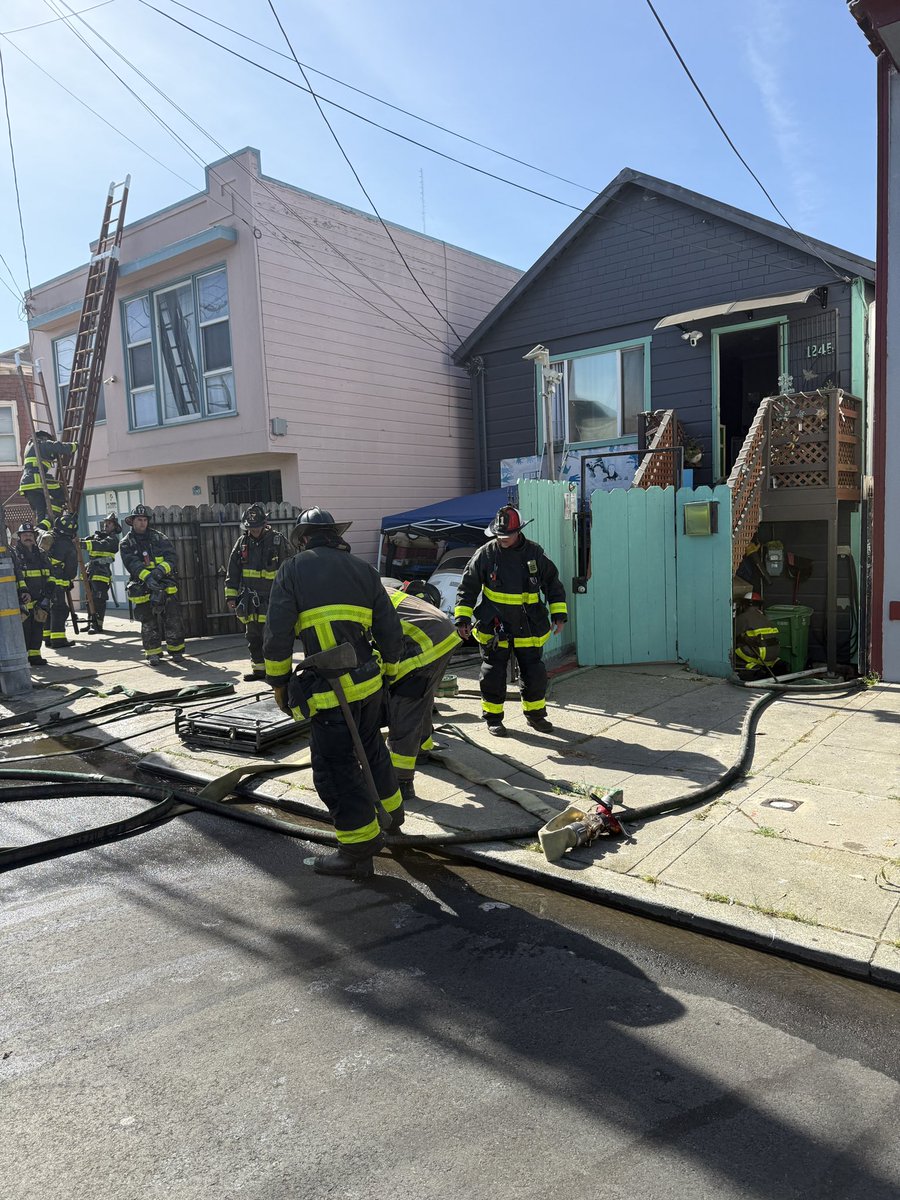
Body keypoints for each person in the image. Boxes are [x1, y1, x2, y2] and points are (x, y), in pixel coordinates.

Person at [264, 507, 405, 879]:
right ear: (334, 535)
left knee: (335, 769)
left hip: (330, 692)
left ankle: (357, 849)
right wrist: (388, 671)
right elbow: (390, 628)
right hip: (369, 684)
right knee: (372, 749)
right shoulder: (363, 570)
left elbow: (277, 633)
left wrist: (278, 683)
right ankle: (393, 818)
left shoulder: (293, 570)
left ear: (303, 538)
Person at [454, 505, 567, 737]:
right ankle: (493, 719)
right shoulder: (485, 555)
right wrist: (462, 618)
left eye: (506, 535)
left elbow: (553, 584)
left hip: (529, 625)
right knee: (493, 674)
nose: (502, 539)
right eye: (499, 535)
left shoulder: (535, 554)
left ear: (519, 531)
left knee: (534, 674)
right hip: (495, 625)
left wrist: (559, 615)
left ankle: (536, 716)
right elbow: (467, 588)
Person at [385, 580, 460, 802]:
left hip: (428, 643)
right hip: (444, 634)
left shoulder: (359, 598)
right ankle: (423, 748)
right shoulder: (380, 588)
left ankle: (401, 781)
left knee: (404, 704)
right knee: (422, 696)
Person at [224, 504, 292, 681]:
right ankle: (259, 670)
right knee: (253, 636)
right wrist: (231, 596)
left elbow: (289, 570)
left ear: (265, 523)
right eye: (250, 527)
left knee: (273, 636)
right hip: (250, 601)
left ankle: (276, 672)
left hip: (273, 599)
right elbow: (233, 571)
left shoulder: (278, 541)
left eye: (256, 526)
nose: (253, 530)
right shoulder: (242, 543)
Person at [119, 503, 186, 665]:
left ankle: (176, 651)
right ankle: (153, 653)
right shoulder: (126, 543)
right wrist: (148, 577)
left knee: (173, 619)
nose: (142, 523)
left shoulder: (159, 537)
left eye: (144, 520)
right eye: (139, 520)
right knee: (148, 621)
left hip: (165, 583)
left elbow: (172, 558)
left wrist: (158, 573)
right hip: (141, 586)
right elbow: (132, 564)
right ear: (132, 521)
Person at [11, 522, 51, 668]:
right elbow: (15, 577)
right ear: (19, 537)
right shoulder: (14, 555)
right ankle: (25, 656)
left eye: (30, 534)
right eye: (25, 535)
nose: (28, 537)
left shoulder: (41, 553)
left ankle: (35, 655)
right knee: (25, 629)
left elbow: (49, 574)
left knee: (38, 627)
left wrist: (48, 592)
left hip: (40, 597)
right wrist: (21, 593)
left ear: (34, 537)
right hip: (24, 598)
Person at [19, 431, 77, 531]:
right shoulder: (41, 444)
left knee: (40, 510)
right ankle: (51, 519)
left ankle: (42, 530)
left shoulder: (30, 446)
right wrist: (74, 446)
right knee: (61, 494)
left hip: (26, 484)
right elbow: (57, 447)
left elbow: (49, 453)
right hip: (37, 479)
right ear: (44, 438)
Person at [43, 512, 79, 652]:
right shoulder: (68, 546)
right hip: (58, 583)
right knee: (60, 609)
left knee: (47, 608)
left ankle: (47, 637)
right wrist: (68, 580)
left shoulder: (50, 537)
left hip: (44, 580)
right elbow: (71, 571)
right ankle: (58, 639)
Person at [83, 512, 121, 634]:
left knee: (98, 599)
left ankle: (97, 625)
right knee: (89, 598)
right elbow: (85, 540)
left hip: (102, 573)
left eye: (109, 523)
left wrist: (84, 545)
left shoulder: (113, 540)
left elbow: (101, 547)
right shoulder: (98, 536)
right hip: (91, 572)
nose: (106, 525)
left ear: (114, 526)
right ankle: (90, 623)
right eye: (105, 523)